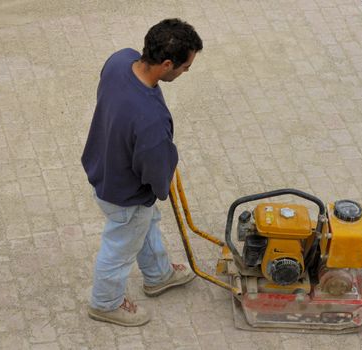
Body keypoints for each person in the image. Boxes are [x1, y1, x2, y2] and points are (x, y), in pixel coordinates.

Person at [81, 18, 203, 327]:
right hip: (126, 193)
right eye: (185, 67)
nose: (186, 71)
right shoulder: (151, 120)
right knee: (120, 246)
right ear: (165, 64)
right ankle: (105, 303)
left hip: (103, 166)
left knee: (145, 224)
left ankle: (158, 275)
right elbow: (157, 175)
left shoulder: (120, 60)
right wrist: (161, 182)